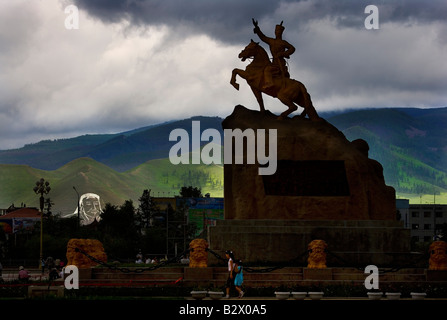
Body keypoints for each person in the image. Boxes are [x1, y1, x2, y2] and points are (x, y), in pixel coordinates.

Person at [253, 19, 296, 90]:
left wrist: (283, 54)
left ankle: (269, 83)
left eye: (278, 31)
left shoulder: (283, 42)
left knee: (267, 70)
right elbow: (263, 37)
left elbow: (292, 48)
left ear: (281, 33)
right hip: (274, 62)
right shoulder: (271, 41)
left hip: (280, 63)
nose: (277, 32)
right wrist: (257, 28)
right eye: (276, 31)